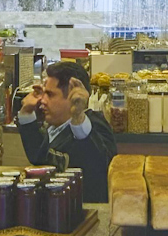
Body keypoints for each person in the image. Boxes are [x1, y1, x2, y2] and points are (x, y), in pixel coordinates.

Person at [17, 61, 117, 203]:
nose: (42, 100)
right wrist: (26, 113)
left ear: (73, 95)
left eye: (50, 94)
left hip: (82, 213)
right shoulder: (55, 126)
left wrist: (78, 117)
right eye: (43, 93)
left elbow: (98, 162)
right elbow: (39, 159)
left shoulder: (95, 126)